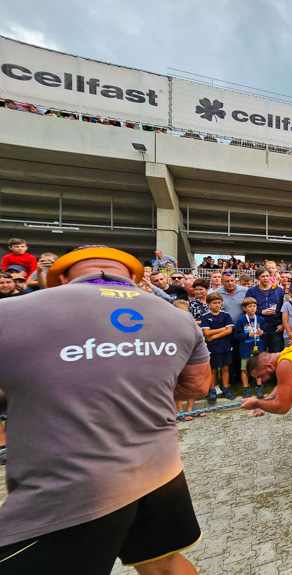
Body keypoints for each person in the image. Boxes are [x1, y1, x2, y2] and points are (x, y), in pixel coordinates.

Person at [0, 244, 210, 574]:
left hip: (67, 489)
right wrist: (140, 396)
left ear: (63, 276)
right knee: (163, 563)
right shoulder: (178, 317)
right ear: (130, 275)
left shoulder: (10, 312)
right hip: (160, 468)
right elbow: (198, 386)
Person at [200, 292, 237, 404]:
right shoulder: (206, 317)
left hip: (225, 346)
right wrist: (223, 329)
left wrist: (213, 336)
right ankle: (212, 391)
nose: (217, 305)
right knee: (213, 369)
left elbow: (229, 330)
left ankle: (226, 389)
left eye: (219, 303)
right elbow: (206, 332)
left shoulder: (226, 315)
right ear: (209, 304)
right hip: (213, 348)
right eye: (214, 303)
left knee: (225, 368)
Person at [246, 268, 285, 353]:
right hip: (258, 328)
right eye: (262, 276)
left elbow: (284, 309)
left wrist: (282, 324)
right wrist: (261, 312)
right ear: (257, 278)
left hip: (275, 328)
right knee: (259, 355)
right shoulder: (252, 291)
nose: (265, 278)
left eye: (267, 276)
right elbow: (246, 309)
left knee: (275, 355)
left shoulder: (278, 290)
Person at [234, 297, 266, 399]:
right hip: (246, 348)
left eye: (254, 306)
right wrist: (248, 335)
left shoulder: (260, 319)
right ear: (244, 308)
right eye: (249, 306)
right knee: (245, 369)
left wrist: (262, 333)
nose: (252, 308)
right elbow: (237, 335)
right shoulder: (241, 320)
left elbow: (265, 332)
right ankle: (246, 388)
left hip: (258, 348)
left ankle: (259, 387)